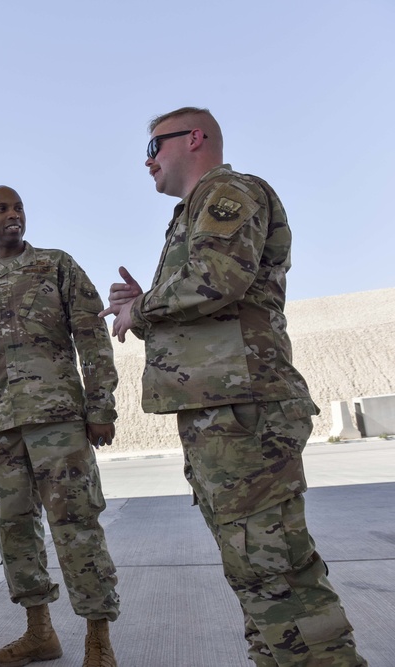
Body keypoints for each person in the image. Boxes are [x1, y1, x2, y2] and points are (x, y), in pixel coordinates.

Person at [100, 106, 368, 667]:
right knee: (254, 573)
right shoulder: (190, 212)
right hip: (221, 413)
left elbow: (218, 277)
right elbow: (206, 291)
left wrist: (143, 307)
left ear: (194, 138)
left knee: (277, 572)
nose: (145, 161)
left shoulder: (229, 193)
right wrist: (144, 307)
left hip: (244, 411)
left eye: (153, 147)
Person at [0, 186, 120, 667]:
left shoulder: (57, 266)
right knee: (15, 530)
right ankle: (40, 632)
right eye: (1, 209)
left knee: (76, 527)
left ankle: (98, 641)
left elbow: (92, 337)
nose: (12, 215)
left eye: (18, 207)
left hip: (59, 421)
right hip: (3, 429)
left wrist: (100, 405)